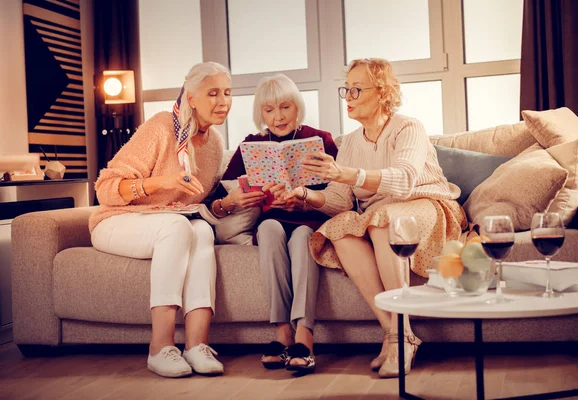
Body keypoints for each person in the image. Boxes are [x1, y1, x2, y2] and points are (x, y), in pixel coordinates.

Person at [277, 58, 471, 378]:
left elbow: (405, 178)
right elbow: (340, 200)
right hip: (382, 214)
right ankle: (397, 333)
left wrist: (347, 173)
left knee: (382, 218)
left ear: (382, 92)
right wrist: (305, 196)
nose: (348, 97)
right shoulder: (351, 142)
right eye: (346, 89)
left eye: (357, 89)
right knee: (338, 227)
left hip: (429, 204)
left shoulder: (408, 127)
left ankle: (399, 336)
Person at [91, 62, 233, 378]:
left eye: (226, 92)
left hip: (168, 222)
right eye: (212, 93)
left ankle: (197, 345)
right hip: (117, 220)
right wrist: (160, 182)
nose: (222, 101)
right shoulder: (161, 127)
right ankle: (160, 347)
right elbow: (105, 188)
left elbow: (199, 202)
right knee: (178, 226)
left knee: (201, 231)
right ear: (192, 98)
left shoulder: (215, 144)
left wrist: (227, 203)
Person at [221, 74, 338, 374]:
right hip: (272, 217)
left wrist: (306, 197)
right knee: (269, 229)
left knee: (301, 238)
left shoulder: (320, 139)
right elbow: (220, 192)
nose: (278, 116)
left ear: (296, 107)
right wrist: (236, 198)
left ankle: (304, 337)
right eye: (269, 110)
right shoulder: (252, 144)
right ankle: (282, 332)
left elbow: (338, 192)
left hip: (308, 218)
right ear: (261, 113)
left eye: (285, 107)